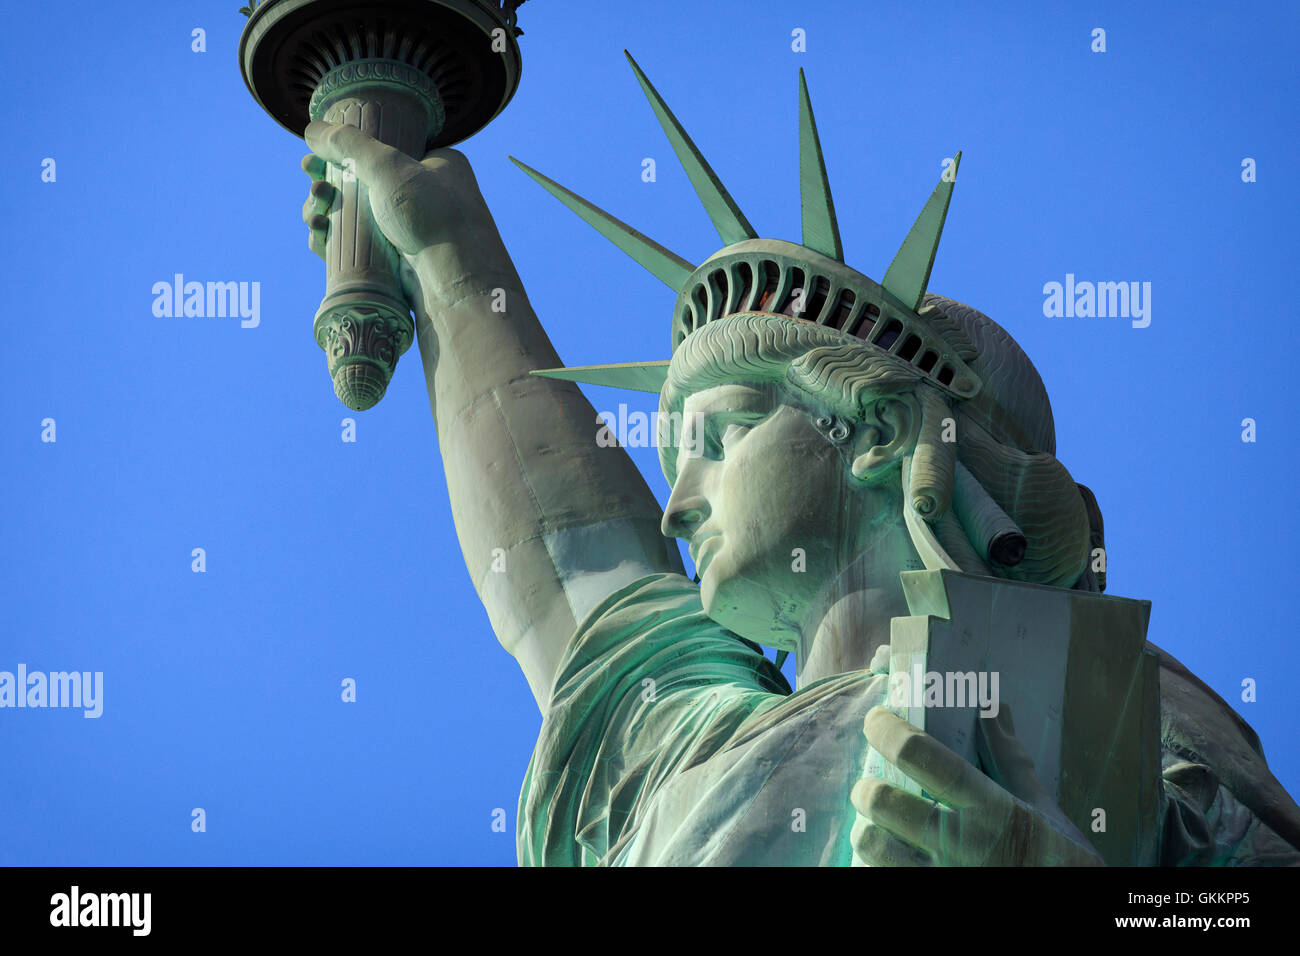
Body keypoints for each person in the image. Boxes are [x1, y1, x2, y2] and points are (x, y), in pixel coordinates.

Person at [295, 65, 1300, 865]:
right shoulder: (683, 748)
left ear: (873, 432)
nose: (676, 507)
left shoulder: (1075, 690)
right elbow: (568, 561)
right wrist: (441, 248)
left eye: (720, 440)